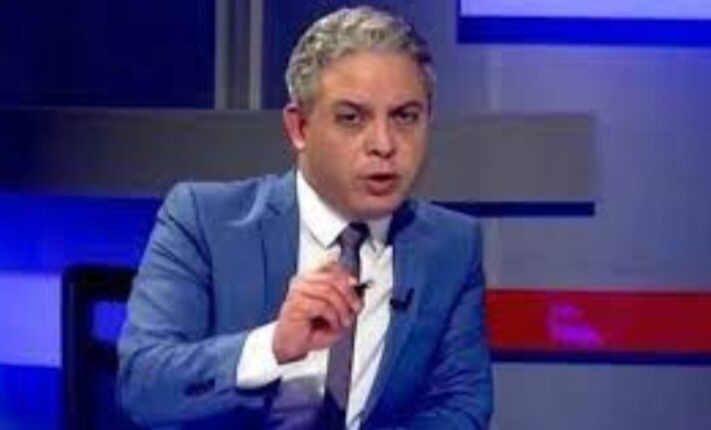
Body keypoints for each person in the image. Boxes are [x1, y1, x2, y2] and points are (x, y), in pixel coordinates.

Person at [117, 6, 492, 429]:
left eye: (405, 117)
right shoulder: (203, 220)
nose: (384, 144)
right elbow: (143, 386)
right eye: (351, 118)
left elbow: (461, 407)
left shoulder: (451, 245)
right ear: (299, 127)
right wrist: (272, 345)